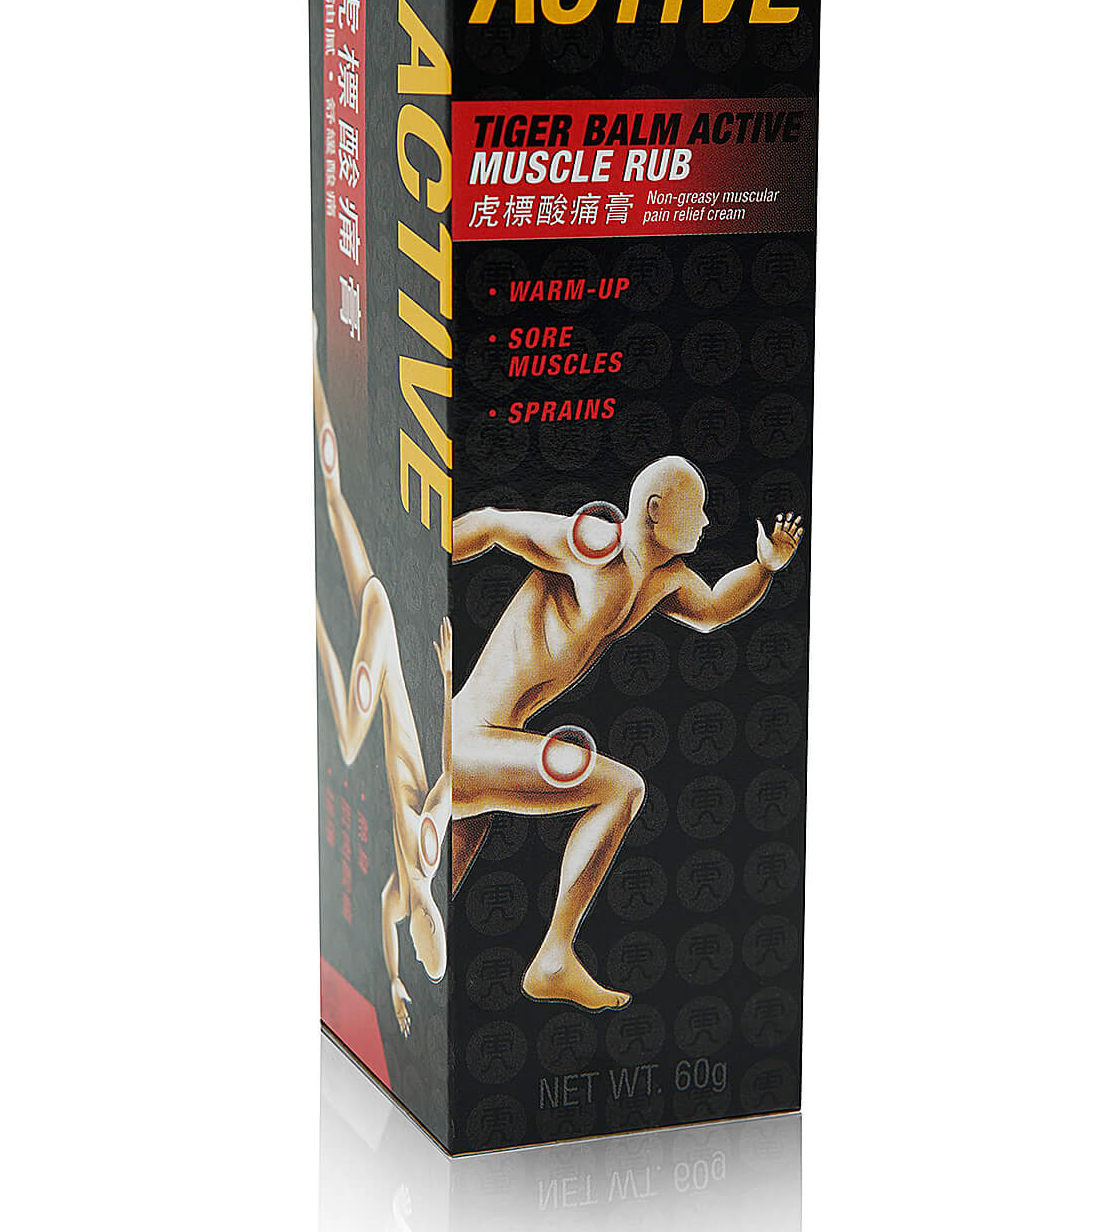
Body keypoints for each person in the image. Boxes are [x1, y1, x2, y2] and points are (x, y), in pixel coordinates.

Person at [450, 456, 802, 1011]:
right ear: (655, 511)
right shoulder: (594, 544)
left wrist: (764, 567)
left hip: (490, 746)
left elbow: (713, 610)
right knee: (621, 788)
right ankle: (554, 957)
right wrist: (418, 561)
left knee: (427, 902)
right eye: (697, 509)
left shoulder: (663, 580)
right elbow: (493, 522)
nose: (706, 522)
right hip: (466, 740)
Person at [312, 331, 450, 1036]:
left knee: (333, 494)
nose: (421, 938)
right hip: (384, 633)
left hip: (381, 620)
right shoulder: (426, 846)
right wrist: (447, 678)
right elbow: (450, 769)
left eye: (423, 947)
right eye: (428, 943)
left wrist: (393, 978)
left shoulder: (402, 888)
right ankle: (312, 616)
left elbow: (382, 919)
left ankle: (311, 356)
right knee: (345, 738)